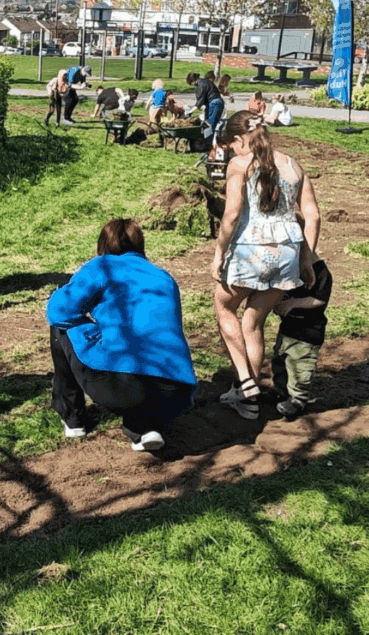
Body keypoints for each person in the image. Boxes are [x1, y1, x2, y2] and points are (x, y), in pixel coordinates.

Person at [46, 219, 196, 451]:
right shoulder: (164, 276)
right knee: (143, 347)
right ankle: (144, 427)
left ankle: (72, 418)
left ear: (102, 245)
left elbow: (58, 311)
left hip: (123, 383)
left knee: (60, 326)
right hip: (179, 392)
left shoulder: (102, 266)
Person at [211, 110, 320, 420]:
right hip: (285, 254)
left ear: (238, 139)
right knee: (253, 323)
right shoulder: (293, 165)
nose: (231, 150)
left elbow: (231, 215)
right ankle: (247, 395)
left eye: (231, 144)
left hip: (250, 251)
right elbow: (313, 216)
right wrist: (306, 258)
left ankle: (246, 385)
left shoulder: (240, 165)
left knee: (223, 307)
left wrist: (219, 253)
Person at [272, 234, 332, 420]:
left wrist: (293, 304)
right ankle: (280, 392)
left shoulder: (320, 272)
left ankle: (298, 399)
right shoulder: (292, 267)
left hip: (308, 333)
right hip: (288, 328)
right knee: (280, 361)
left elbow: (319, 299)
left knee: (300, 367)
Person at [186, 71, 224, 143]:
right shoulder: (204, 82)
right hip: (215, 102)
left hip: (214, 103)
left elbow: (200, 101)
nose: (192, 85)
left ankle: (208, 144)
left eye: (191, 83)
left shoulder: (201, 84)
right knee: (208, 124)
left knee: (210, 124)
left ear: (192, 80)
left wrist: (190, 111)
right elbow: (203, 98)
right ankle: (207, 142)